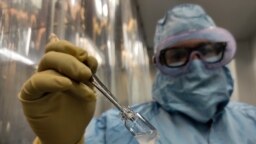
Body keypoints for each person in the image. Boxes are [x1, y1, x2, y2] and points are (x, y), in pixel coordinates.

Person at [18, 4, 256, 144]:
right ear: (159, 65)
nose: (196, 65)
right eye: (177, 55)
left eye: (207, 50)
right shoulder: (113, 130)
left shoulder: (252, 121)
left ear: (223, 53)